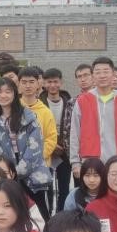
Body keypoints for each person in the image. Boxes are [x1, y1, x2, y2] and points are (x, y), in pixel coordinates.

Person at [0, 77, 52, 218]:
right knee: (11, 213)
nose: (3, 95)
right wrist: (4, 170)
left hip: (31, 175)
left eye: (8, 91)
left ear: (15, 93)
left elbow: (35, 147)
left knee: (39, 214)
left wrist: (16, 172)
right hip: (4, 174)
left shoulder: (29, 117)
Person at [69, 57, 117, 178]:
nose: (102, 75)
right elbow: (75, 133)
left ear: (113, 75)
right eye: (98, 72)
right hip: (91, 162)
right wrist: (75, 163)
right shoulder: (82, 100)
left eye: (106, 71)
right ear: (93, 76)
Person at [42, 67, 73, 211]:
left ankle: (61, 215)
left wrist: (63, 146)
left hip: (64, 153)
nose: (52, 85)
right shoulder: (39, 103)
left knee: (64, 188)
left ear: (61, 82)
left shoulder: (70, 103)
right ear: (44, 83)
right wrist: (52, 145)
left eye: (55, 81)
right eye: (49, 82)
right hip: (46, 151)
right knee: (46, 188)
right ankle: (48, 216)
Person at [18, 66, 57, 171]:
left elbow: (51, 139)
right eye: (24, 82)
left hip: (41, 166)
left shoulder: (46, 112)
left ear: (38, 84)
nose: (28, 86)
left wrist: (35, 156)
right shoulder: (13, 109)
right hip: (17, 164)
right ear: (19, 84)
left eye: (31, 82)